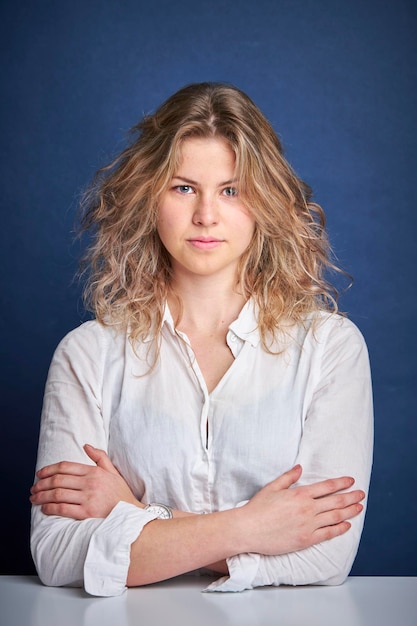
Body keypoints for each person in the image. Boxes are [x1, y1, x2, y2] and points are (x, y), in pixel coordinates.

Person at [30, 82, 373, 597]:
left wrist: (134, 515)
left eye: (231, 190)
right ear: (150, 196)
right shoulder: (87, 354)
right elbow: (57, 553)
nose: (206, 215)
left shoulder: (331, 349)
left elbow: (327, 553)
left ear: (265, 202)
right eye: (184, 187)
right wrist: (254, 527)